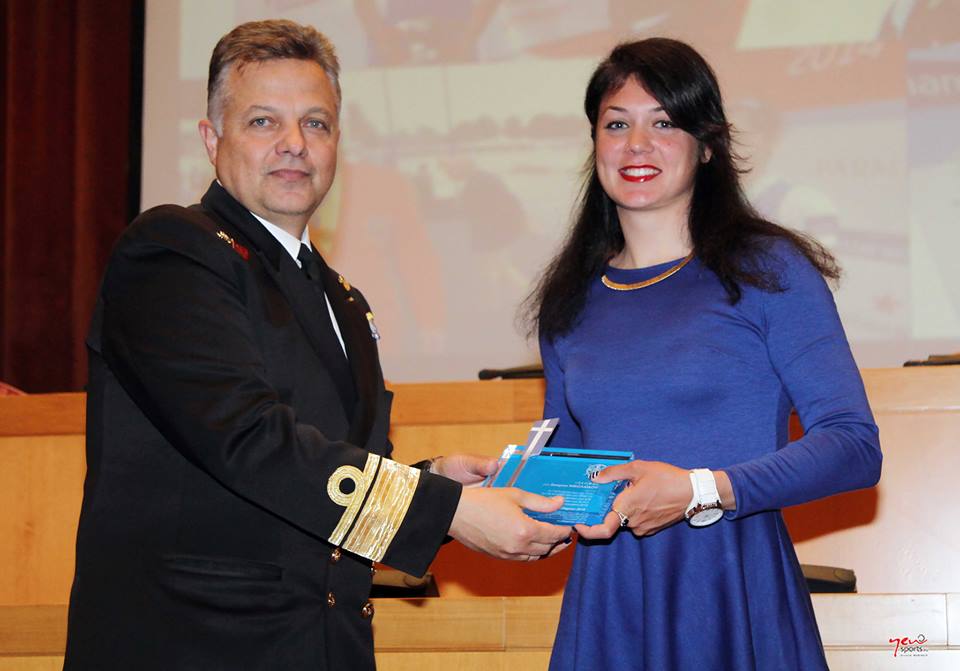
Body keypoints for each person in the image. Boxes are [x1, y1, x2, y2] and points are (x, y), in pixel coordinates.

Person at [64, 19, 571, 671]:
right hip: (193, 646)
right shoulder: (171, 252)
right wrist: (447, 510)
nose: (294, 144)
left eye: (316, 123)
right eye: (263, 122)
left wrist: (433, 480)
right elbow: (249, 440)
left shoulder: (343, 300)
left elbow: (325, 484)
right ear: (212, 140)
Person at [527, 38, 882, 670]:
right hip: (609, 601)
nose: (637, 145)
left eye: (664, 123)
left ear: (708, 146)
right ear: (595, 144)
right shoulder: (569, 300)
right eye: (617, 125)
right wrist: (493, 489)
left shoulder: (768, 270)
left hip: (731, 584)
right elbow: (570, 472)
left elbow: (853, 446)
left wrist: (700, 490)